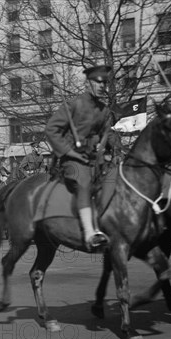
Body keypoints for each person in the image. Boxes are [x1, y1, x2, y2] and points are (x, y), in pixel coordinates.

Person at [45, 64, 121, 250]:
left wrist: (118, 149)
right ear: (89, 83)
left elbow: (107, 134)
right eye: (98, 82)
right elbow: (51, 129)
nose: (102, 86)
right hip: (72, 159)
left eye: (105, 83)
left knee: (118, 178)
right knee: (84, 180)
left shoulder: (104, 110)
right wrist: (68, 151)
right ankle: (90, 233)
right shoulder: (74, 105)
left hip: (95, 159)